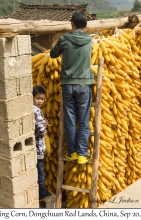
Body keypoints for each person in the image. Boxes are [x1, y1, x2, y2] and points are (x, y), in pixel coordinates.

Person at [50, 10, 94, 165]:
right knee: (83, 121)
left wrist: (55, 44)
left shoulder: (64, 39)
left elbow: (53, 55)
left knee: (70, 120)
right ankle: (82, 154)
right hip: (84, 86)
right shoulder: (89, 40)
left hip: (68, 86)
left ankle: (72, 152)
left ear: (72, 24)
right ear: (86, 25)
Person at [33, 85, 52, 200]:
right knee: (40, 172)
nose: (40, 101)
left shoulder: (32, 109)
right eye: (37, 98)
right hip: (38, 148)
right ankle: (42, 192)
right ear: (32, 97)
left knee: (38, 170)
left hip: (35, 148)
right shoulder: (37, 111)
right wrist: (45, 127)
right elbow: (41, 129)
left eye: (42, 99)